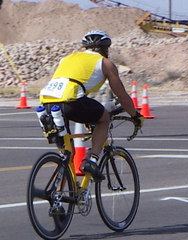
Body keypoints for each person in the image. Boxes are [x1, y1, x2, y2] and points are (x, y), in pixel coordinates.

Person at [39, 30, 144, 181]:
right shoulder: (105, 63)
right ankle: (92, 160)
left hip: (47, 103)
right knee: (104, 118)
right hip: (71, 102)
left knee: (67, 154)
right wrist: (135, 115)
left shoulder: (67, 59)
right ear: (106, 49)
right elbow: (122, 95)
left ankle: (59, 198)